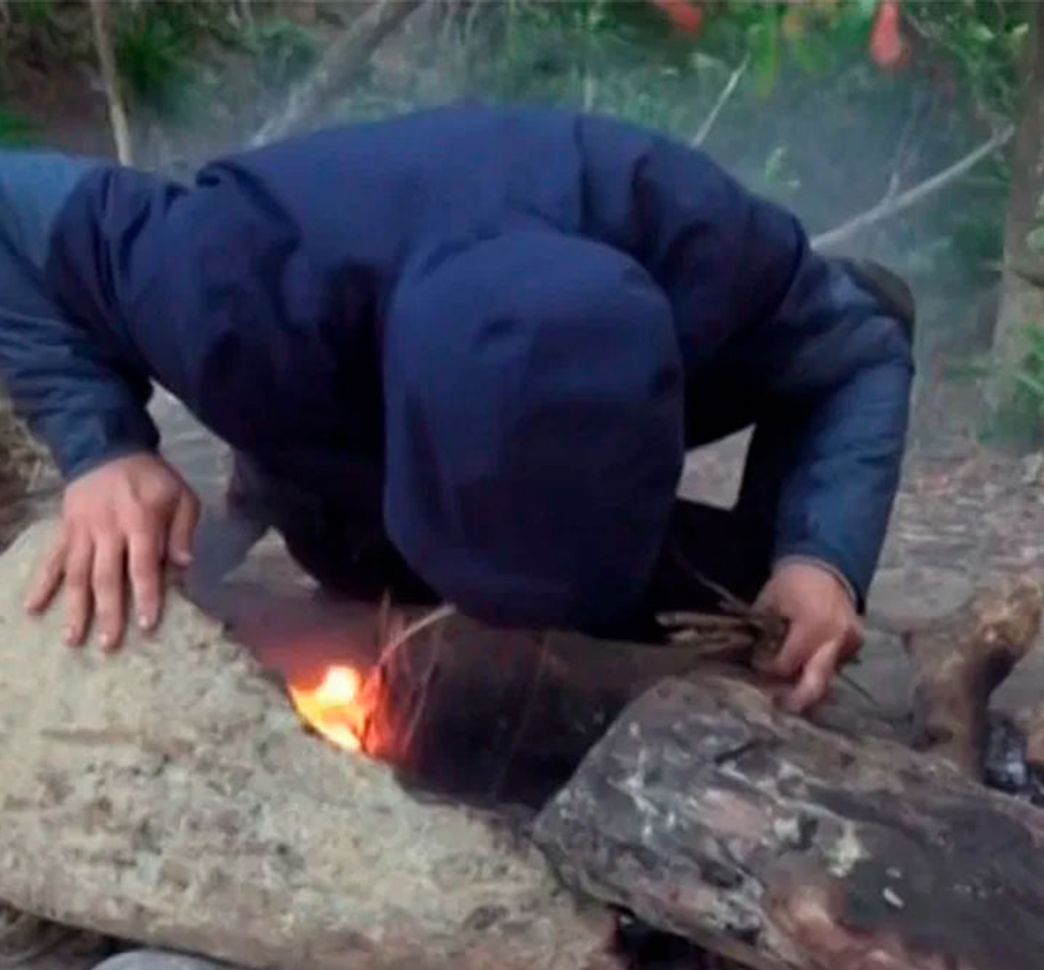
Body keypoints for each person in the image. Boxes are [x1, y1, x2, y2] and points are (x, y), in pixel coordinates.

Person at [0, 105, 914, 713]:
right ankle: (321, 513)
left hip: (644, 298)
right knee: (352, 564)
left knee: (779, 573)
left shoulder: (708, 251)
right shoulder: (234, 286)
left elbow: (862, 354)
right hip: (331, 364)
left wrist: (820, 557)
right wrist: (102, 446)